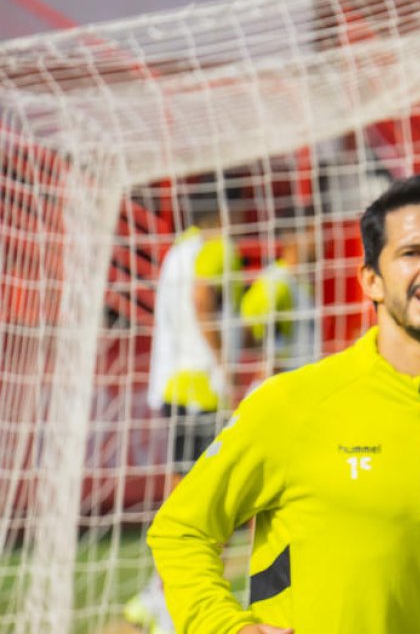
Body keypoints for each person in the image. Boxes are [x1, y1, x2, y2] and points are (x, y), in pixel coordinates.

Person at [147, 175, 420, 633]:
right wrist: (225, 626)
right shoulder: (289, 405)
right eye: (411, 253)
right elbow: (180, 528)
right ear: (371, 279)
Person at [127, 186, 244, 633]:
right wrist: (225, 366)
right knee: (208, 503)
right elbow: (201, 301)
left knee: (183, 497)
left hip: (171, 383)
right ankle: (177, 599)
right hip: (202, 387)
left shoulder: (177, 251)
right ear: (222, 215)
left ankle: (160, 595)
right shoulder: (215, 249)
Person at [241, 202, 320, 378]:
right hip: (283, 388)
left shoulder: (301, 282)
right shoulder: (276, 282)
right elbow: (246, 331)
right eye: (315, 233)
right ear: (294, 238)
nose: (323, 240)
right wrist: (273, 363)